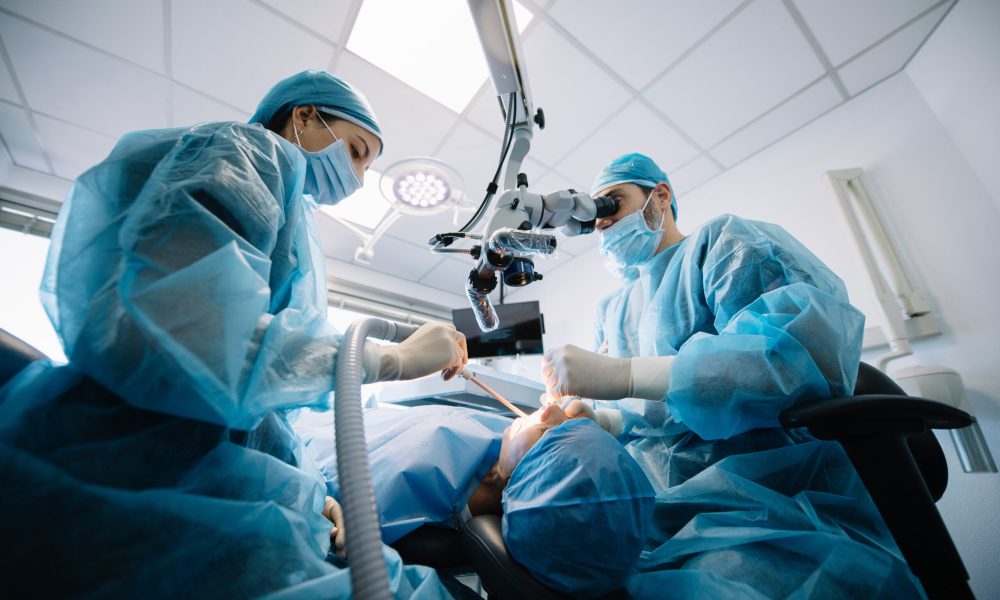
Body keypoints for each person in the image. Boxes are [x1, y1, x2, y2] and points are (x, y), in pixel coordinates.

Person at [0, 71, 468, 598]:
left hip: (215, 474)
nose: (359, 178)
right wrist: (391, 360)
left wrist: (313, 492)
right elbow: (189, 331)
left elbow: (263, 401)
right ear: (304, 115)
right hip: (144, 473)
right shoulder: (245, 154)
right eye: (357, 151)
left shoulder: (296, 218)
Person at [541, 153, 925, 597]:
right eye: (593, 217)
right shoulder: (614, 309)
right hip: (656, 509)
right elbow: (650, 415)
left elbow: (792, 358)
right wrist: (603, 419)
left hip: (765, 499)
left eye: (611, 203)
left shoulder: (726, 243)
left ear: (660, 196)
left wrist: (626, 373)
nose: (600, 222)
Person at [295, 402, 656, 599]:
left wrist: (317, 502)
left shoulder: (403, 503)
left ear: (525, 485)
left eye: (550, 432)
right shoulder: (498, 448)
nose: (547, 410)